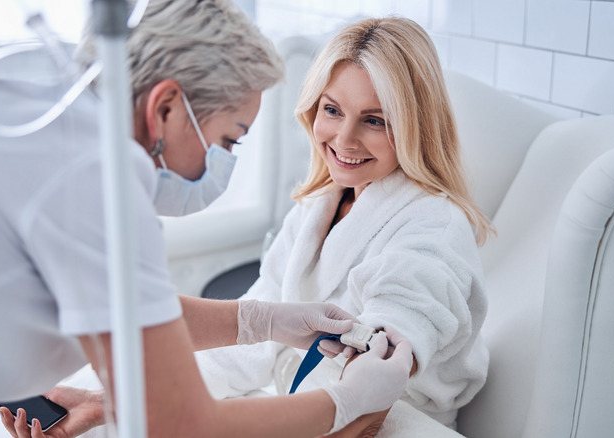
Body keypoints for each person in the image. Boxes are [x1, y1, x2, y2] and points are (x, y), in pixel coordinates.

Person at [0, 1, 412, 438]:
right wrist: (346, 402)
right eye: (229, 141)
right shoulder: (96, 182)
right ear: (166, 106)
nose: (222, 163)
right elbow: (182, 424)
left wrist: (264, 319)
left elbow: (130, 304)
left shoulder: (28, 120)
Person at [192, 16, 494, 437]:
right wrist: (153, 396)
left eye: (375, 120)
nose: (344, 139)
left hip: (391, 422)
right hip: (307, 401)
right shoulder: (321, 204)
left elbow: (392, 337)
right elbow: (261, 319)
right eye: (332, 110)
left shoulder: (434, 228)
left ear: (414, 126)